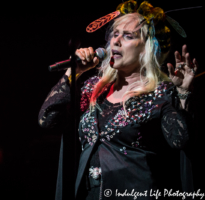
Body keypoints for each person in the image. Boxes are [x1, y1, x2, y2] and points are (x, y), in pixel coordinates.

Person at [38, 1, 198, 199]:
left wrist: (183, 93)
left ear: (145, 49)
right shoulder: (93, 88)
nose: (116, 41)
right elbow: (48, 119)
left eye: (128, 36)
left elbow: (179, 140)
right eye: (115, 34)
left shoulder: (159, 92)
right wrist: (73, 73)